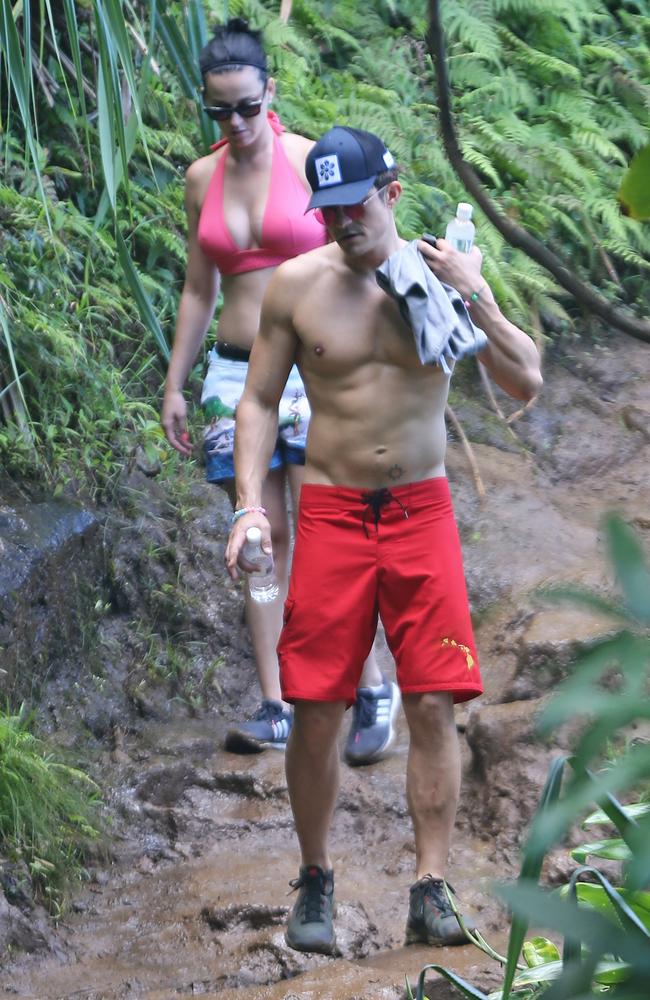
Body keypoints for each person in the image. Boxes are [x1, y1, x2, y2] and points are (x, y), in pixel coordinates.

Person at [226, 126, 543, 953]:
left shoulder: (442, 279)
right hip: (332, 512)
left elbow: (526, 379)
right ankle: (316, 877)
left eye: (356, 207)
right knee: (318, 706)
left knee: (434, 698)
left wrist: (477, 293)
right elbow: (258, 401)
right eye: (327, 212)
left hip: (421, 512)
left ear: (392, 195)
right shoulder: (296, 286)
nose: (342, 226)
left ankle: (430, 887)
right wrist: (250, 507)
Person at [161, 21, 399, 759]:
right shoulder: (203, 177)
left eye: (244, 107)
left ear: (270, 91)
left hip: (314, 363)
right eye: (218, 112)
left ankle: (370, 683)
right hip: (235, 370)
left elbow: (363, 251)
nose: (233, 124)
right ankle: (277, 700)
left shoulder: (308, 163)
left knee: (330, 526)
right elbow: (199, 289)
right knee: (258, 537)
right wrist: (175, 380)